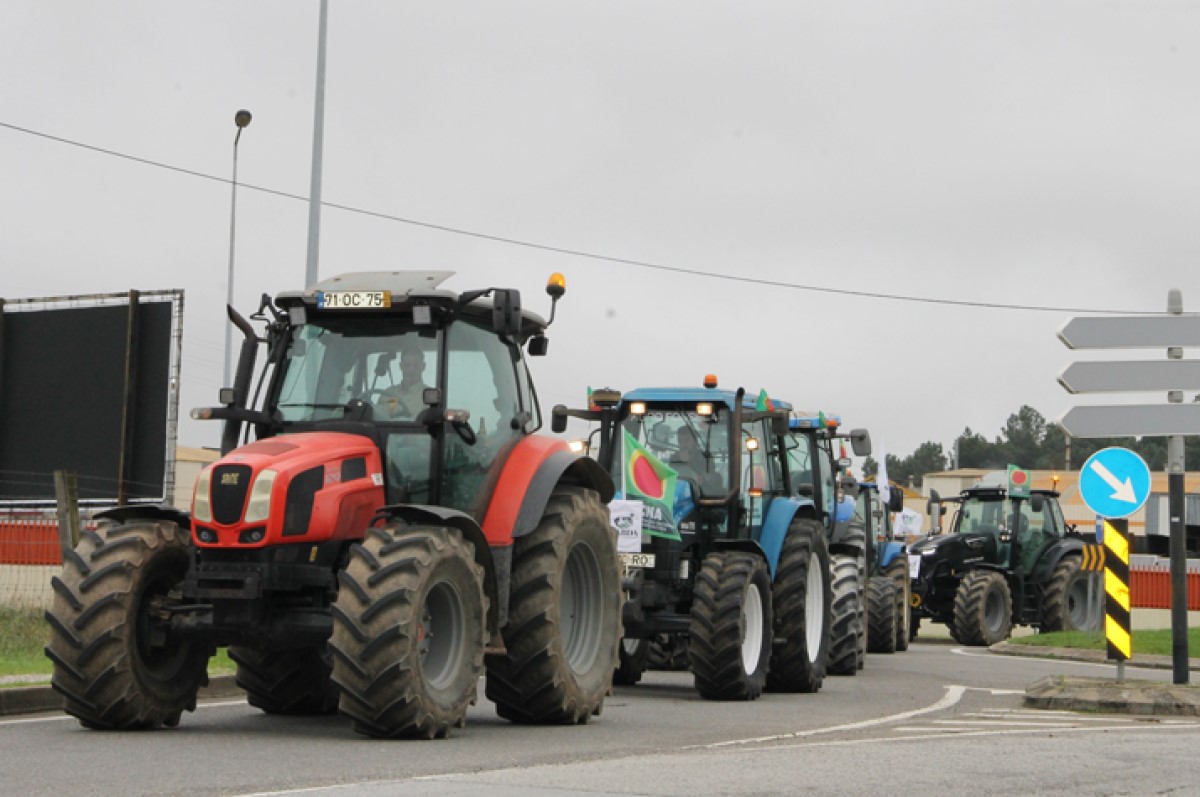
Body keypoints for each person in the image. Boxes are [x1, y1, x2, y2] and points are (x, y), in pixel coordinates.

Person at [381, 348, 431, 419]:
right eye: (407, 365)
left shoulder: (430, 396)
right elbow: (377, 417)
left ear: (423, 366)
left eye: (416, 365)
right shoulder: (387, 393)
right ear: (401, 366)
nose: (411, 370)